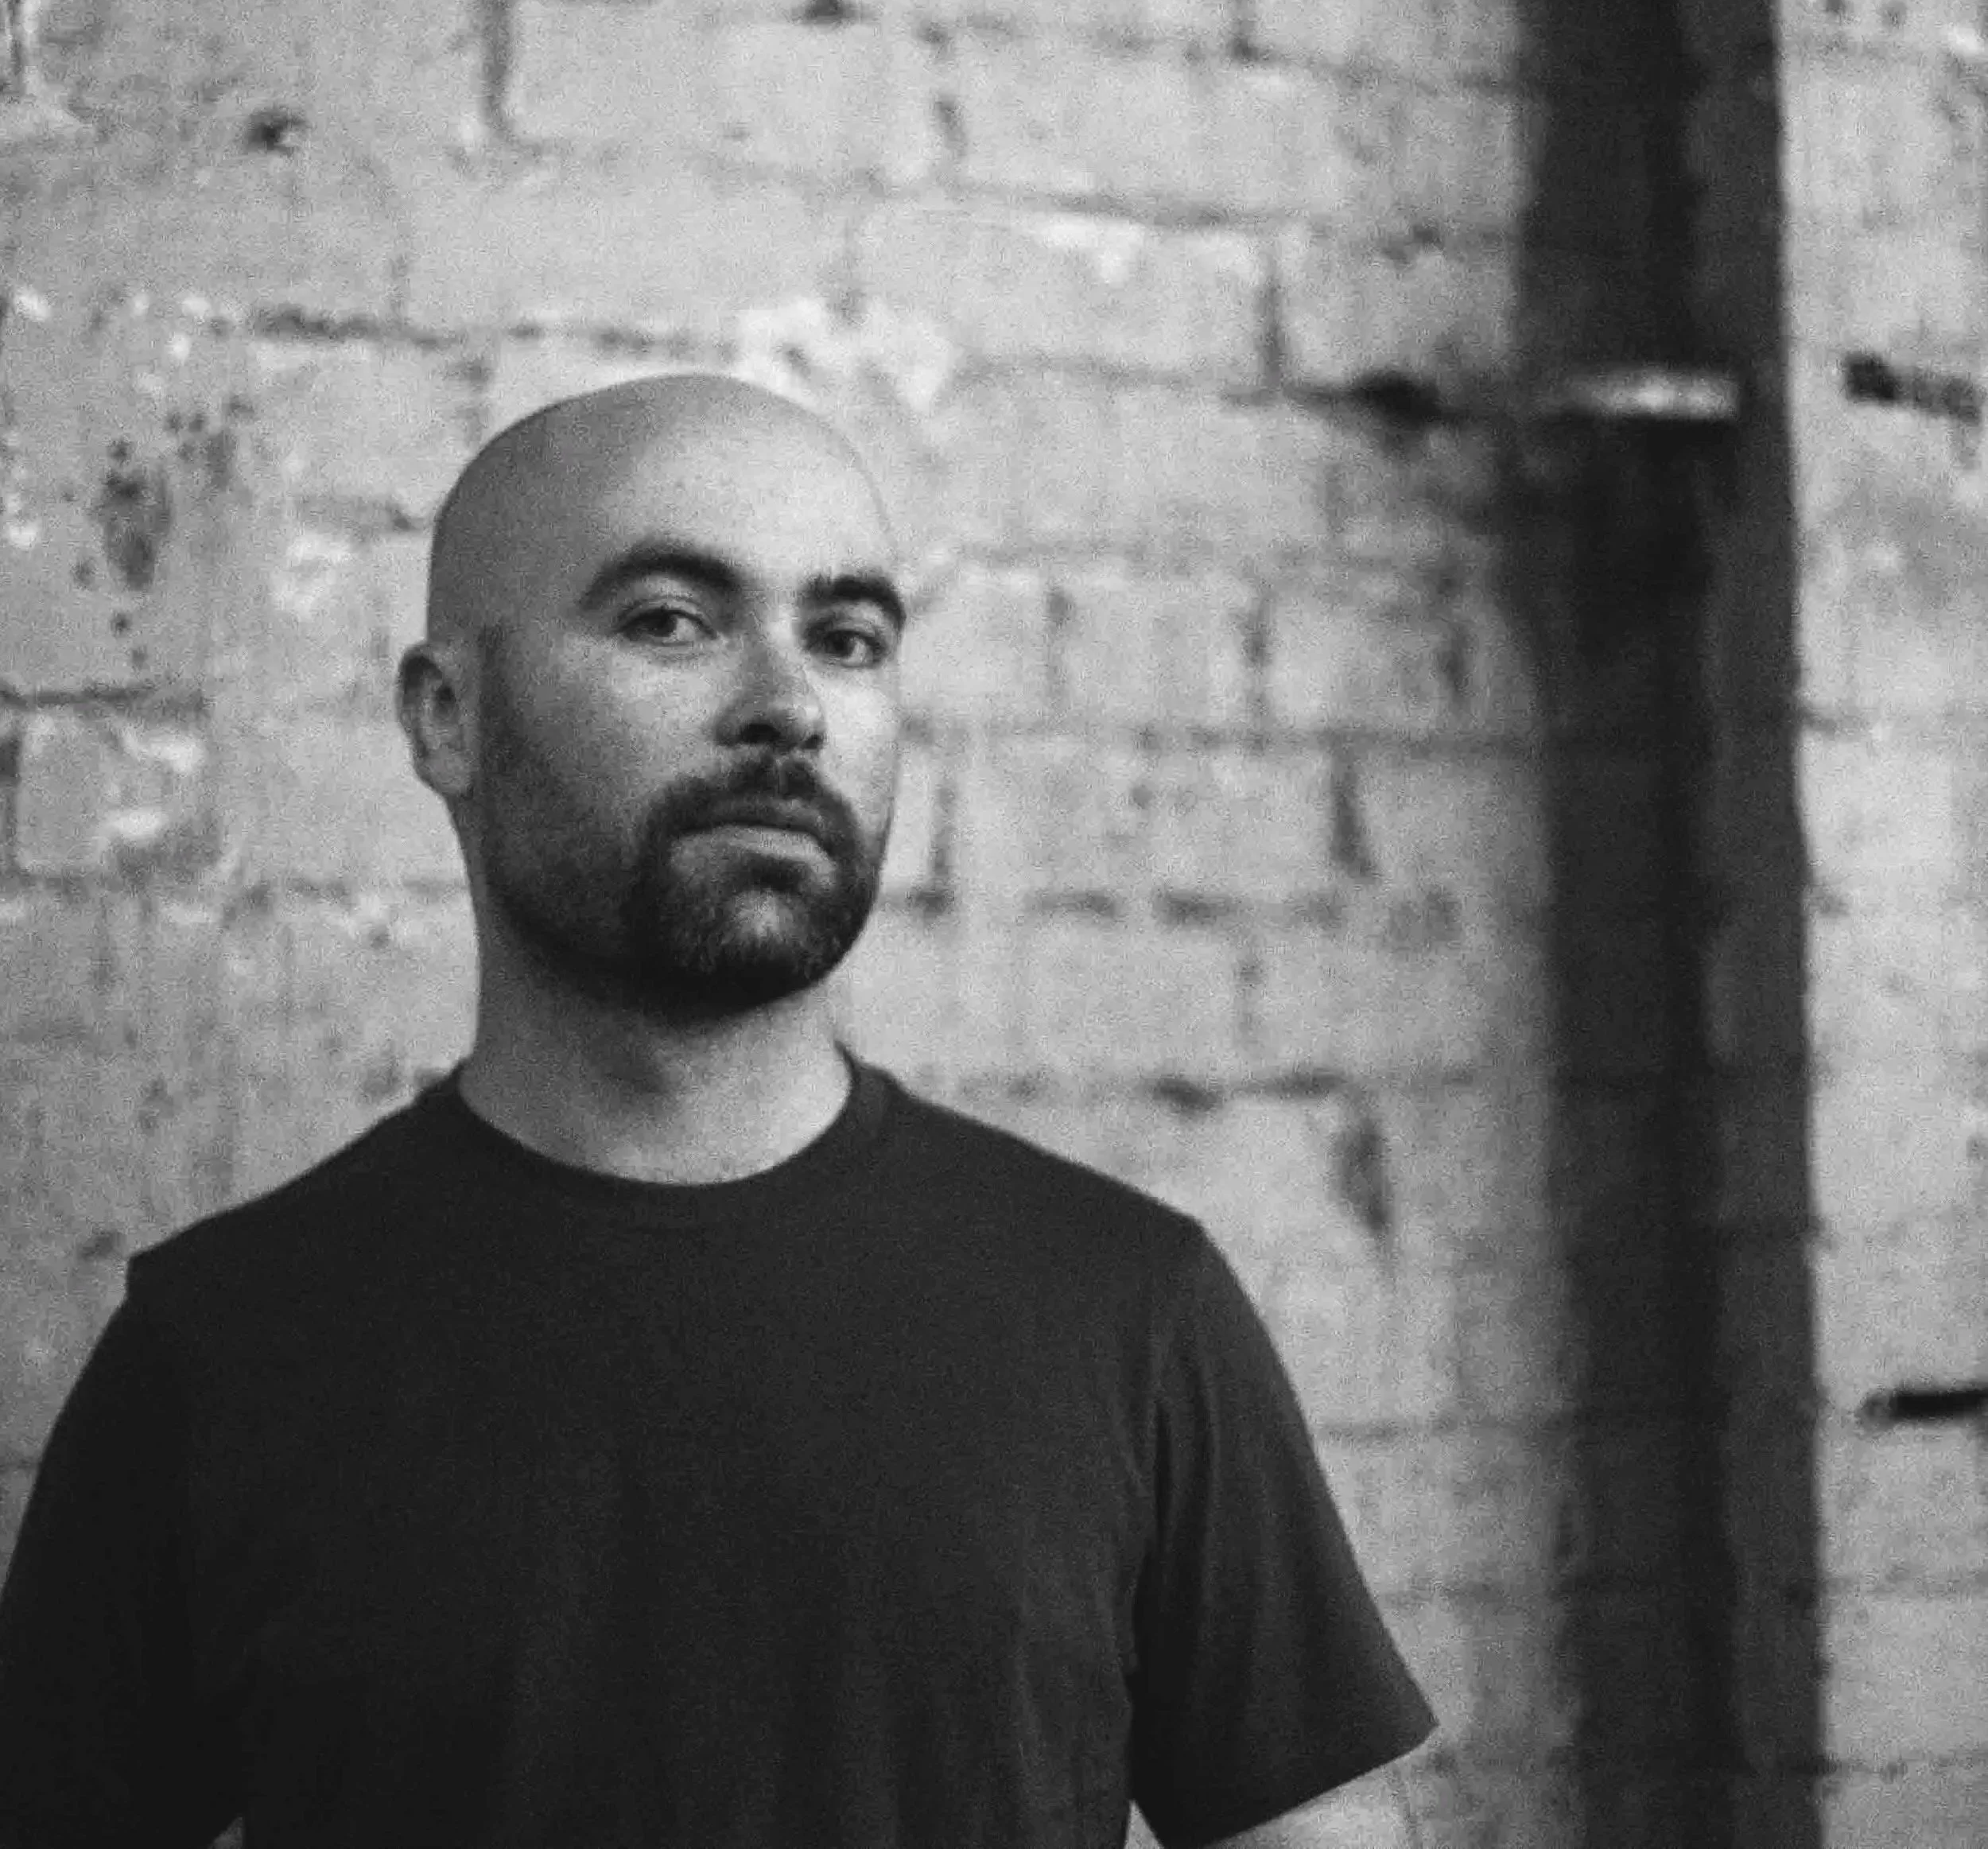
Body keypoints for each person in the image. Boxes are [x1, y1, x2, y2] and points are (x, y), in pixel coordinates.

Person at [0, 375, 1435, 1848]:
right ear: (447, 716)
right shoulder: (218, 1354)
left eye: (847, 638)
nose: (788, 706)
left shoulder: (1127, 1314)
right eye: (671, 622)